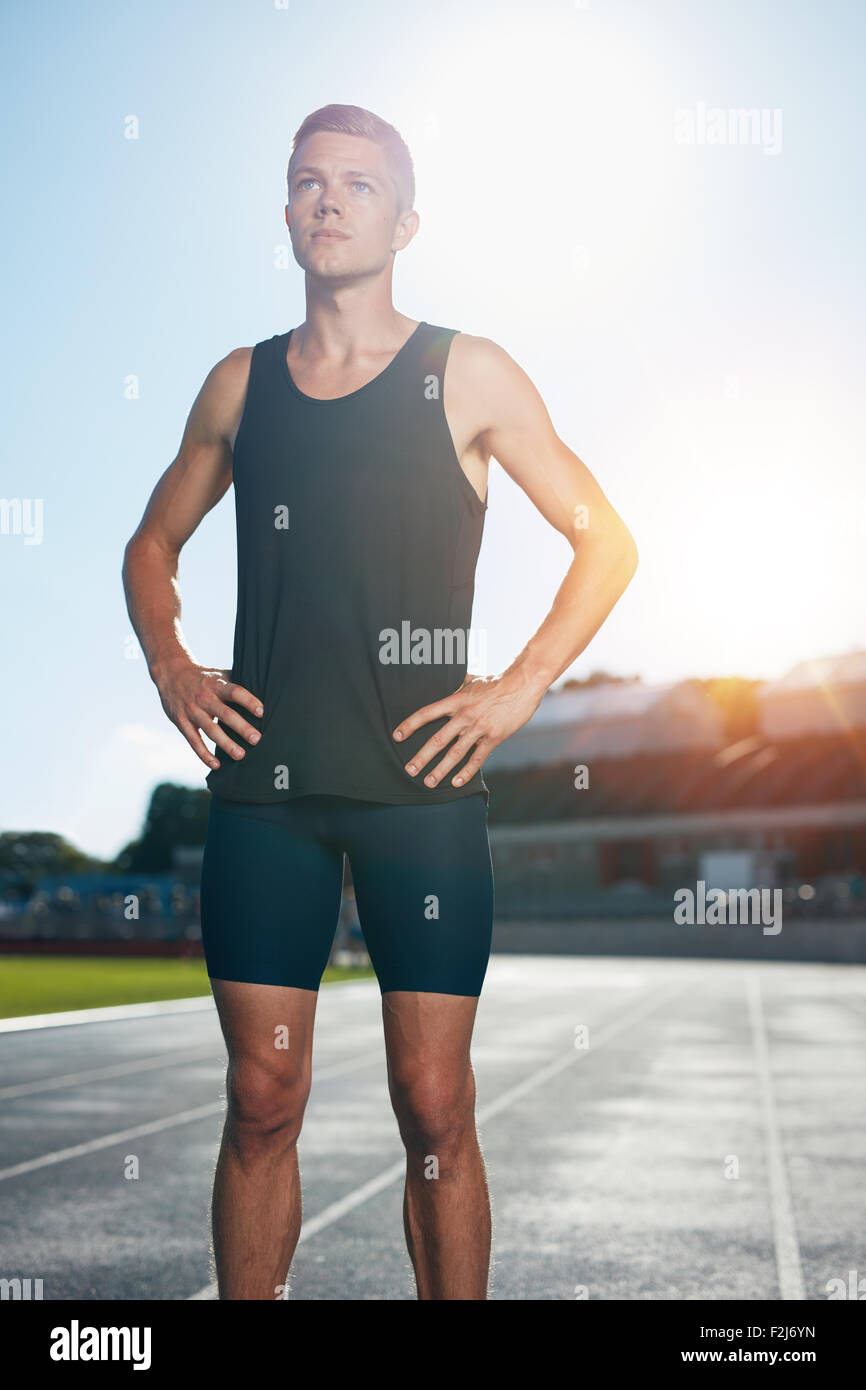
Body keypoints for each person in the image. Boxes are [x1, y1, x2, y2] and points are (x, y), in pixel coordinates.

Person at [121, 103, 638, 1301]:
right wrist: (172, 664)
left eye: (356, 182)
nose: (327, 198)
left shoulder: (467, 372)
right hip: (266, 795)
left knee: (435, 1107)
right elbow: (151, 544)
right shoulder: (238, 386)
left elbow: (602, 540)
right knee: (261, 1101)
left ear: (403, 220)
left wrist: (515, 690)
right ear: (286, 208)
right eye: (307, 179)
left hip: (421, 795)